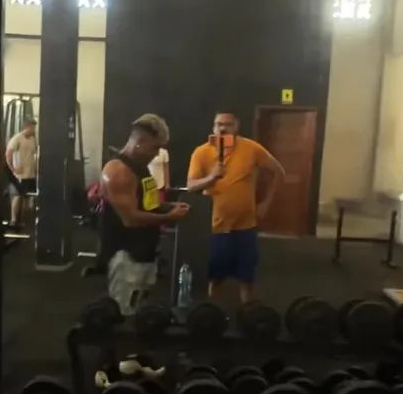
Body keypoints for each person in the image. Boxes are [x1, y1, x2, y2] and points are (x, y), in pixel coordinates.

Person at [187, 112, 285, 305]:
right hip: (216, 227)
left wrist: (266, 203)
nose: (222, 128)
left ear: (236, 126)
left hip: (245, 226)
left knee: (247, 281)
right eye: (218, 124)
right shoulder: (202, 152)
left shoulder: (251, 148)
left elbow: (278, 172)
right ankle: (211, 314)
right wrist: (212, 177)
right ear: (213, 127)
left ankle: (247, 314)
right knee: (214, 279)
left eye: (228, 124)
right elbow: (191, 186)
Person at [100, 114, 189, 314]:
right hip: (125, 257)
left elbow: (148, 204)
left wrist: (169, 207)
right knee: (123, 314)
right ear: (140, 142)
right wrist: (169, 217)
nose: (156, 154)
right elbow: (130, 218)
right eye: (155, 147)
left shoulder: (140, 170)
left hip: (145, 252)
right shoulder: (118, 171)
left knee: (139, 309)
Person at [6, 118, 38, 227]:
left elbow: (35, 154)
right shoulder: (17, 139)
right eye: (32, 127)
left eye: (34, 127)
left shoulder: (33, 139)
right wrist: (13, 168)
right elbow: (8, 154)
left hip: (30, 174)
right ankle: (13, 220)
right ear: (26, 127)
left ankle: (21, 221)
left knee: (25, 197)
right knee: (17, 196)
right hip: (19, 175)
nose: (33, 130)